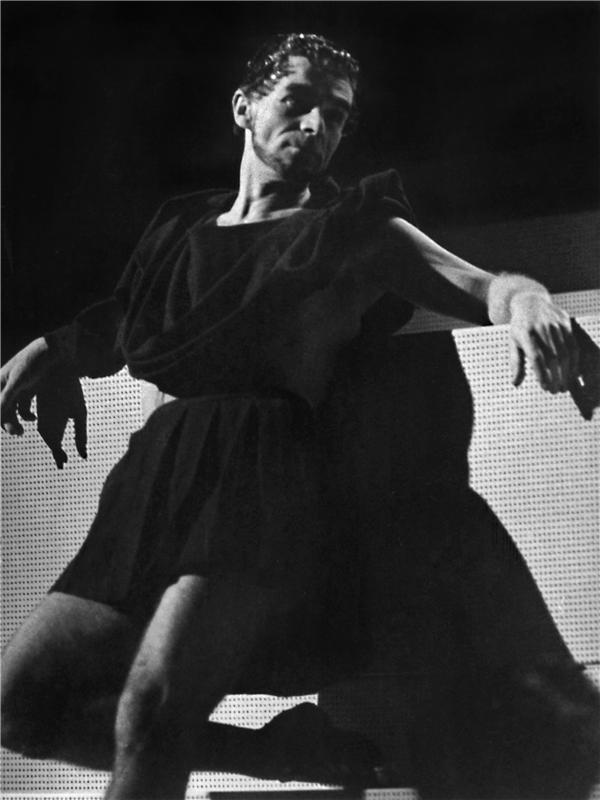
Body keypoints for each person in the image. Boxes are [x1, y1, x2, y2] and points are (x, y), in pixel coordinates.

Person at [1, 33, 598, 800]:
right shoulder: (179, 230)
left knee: (153, 708)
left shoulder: (351, 227)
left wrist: (533, 304)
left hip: (255, 473)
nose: (318, 125)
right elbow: (125, 321)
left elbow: (487, 287)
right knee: (21, 708)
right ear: (244, 107)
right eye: (299, 100)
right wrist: (50, 350)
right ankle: (276, 754)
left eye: (337, 114)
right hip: (154, 480)